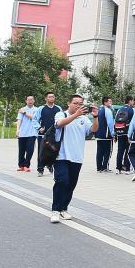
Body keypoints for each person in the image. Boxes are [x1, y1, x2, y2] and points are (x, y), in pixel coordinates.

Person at [50, 94, 98, 223]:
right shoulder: (61, 114)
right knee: (62, 181)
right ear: (69, 103)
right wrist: (76, 115)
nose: (78, 106)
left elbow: (93, 129)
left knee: (71, 184)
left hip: (77, 157)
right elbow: (59, 124)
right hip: (61, 156)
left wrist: (95, 117)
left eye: (80, 103)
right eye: (75, 103)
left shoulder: (84, 119)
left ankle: (63, 208)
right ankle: (55, 210)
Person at [36, 92, 62, 177]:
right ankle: (40, 169)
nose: (51, 98)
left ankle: (50, 165)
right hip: (44, 135)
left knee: (54, 151)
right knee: (42, 152)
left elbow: (62, 119)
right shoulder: (41, 108)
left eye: (53, 97)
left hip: (55, 135)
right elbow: (34, 119)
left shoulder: (58, 108)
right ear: (46, 98)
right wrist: (39, 128)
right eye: (49, 97)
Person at [15, 95, 39, 172]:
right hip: (22, 133)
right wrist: (17, 130)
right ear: (26, 101)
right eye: (28, 100)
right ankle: (21, 165)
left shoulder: (37, 109)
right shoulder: (22, 109)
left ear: (34, 101)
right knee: (21, 150)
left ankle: (26, 165)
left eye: (31, 99)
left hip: (32, 133)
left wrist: (24, 113)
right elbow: (19, 120)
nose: (30, 101)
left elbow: (34, 118)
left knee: (30, 150)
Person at [113, 96, 135, 173]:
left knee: (120, 151)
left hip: (119, 132)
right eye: (132, 101)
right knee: (128, 151)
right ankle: (127, 168)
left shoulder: (119, 109)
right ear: (129, 101)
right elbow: (133, 123)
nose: (133, 102)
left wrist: (115, 134)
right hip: (127, 133)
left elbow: (115, 121)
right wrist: (131, 134)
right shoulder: (131, 110)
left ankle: (118, 168)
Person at [94, 96, 114, 172]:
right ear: (105, 102)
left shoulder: (100, 110)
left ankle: (99, 167)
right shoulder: (108, 110)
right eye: (110, 101)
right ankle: (105, 167)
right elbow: (110, 123)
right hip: (106, 135)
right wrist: (112, 134)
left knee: (99, 151)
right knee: (107, 151)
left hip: (99, 134)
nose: (111, 103)